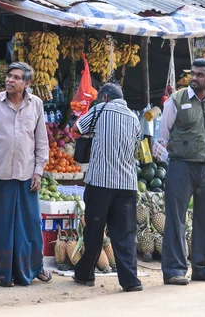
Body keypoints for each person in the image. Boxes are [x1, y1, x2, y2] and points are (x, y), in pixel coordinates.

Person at [0, 62, 52, 287]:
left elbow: (42, 142)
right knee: (2, 228)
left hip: (27, 175)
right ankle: (5, 274)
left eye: (16, 77)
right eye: (9, 76)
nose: (10, 80)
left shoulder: (36, 104)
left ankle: (34, 268)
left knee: (30, 227)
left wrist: (39, 171)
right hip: (0, 175)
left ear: (27, 83)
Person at [71, 83, 142, 292]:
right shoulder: (134, 117)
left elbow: (76, 129)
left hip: (100, 183)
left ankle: (85, 275)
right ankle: (130, 281)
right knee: (125, 234)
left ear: (104, 97)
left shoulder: (101, 109)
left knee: (94, 230)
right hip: (127, 184)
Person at [160, 58, 205, 286]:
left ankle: (201, 267)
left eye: (199, 75)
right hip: (181, 165)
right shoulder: (177, 99)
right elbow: (164, 132)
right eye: (193, 74)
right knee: (176, 218)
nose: (194, 78)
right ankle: (174, 270)